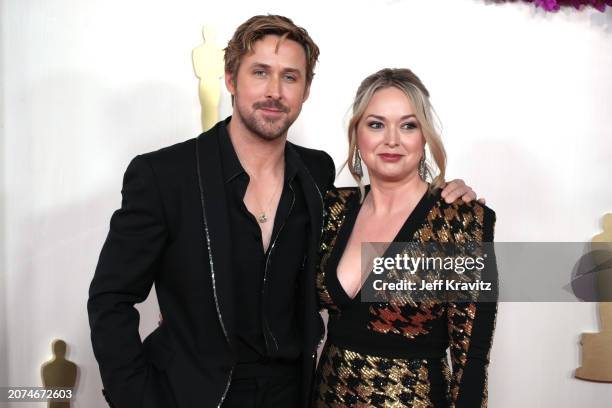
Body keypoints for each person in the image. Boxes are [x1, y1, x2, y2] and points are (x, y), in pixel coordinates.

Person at [87, 15, 478, 408]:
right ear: (230, 78)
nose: (274, 91)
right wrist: (136, 399)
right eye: (260, 72)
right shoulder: (164, 175)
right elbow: (110, 299)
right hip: (193, 393)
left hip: (298, 394)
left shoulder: (318, 175)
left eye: (290, 77)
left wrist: (443, 204)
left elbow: (394, 248)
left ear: (306, 90)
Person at [313, 68, 497, 407]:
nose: (392, 139)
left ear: (425, 137)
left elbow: (471, 355)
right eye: (376, 124)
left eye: (408, 125)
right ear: (357, 134)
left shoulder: (460, 221)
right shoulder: (331, 208)